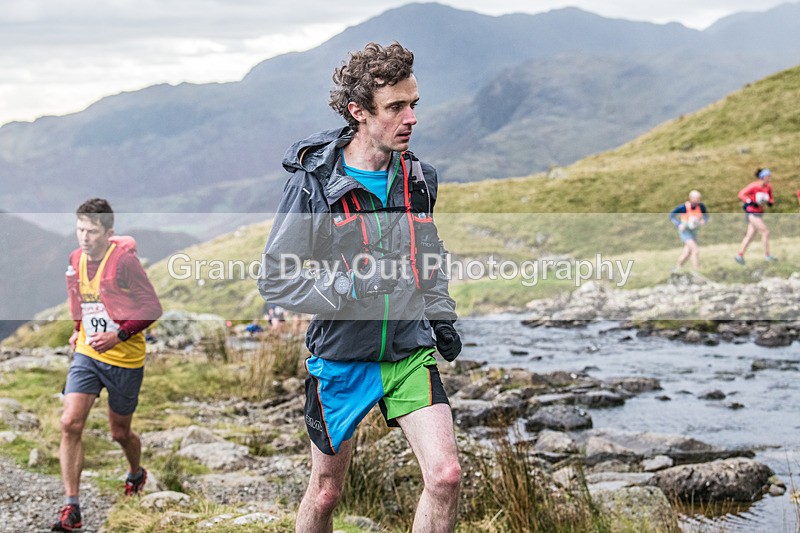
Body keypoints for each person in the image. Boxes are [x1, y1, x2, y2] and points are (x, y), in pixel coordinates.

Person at [257, 42, 462, 533]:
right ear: (359, 112)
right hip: (342, 357)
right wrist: (347, 284)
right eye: (396, 107)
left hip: (409, 351)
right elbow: (275, 278)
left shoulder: (417, 178)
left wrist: (442, 313)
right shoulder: (315, 183)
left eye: (414, 103)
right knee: (326, 493)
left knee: (446, 476)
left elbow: (426, 253)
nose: (411, 117)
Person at [53, 198, 162, 532]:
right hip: (88, 353)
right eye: (80, 228)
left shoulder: (124, 262)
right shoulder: (75, 258)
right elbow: (78, 297)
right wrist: (77, 330)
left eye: (92, 230)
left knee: (120, 433)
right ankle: (72, 507)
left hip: (125, 359)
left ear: (108, 232)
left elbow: (152, 307)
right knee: (70, 423)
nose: (84, 237)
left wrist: (119, 335)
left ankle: (135, 473)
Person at [735, 168, 776, 265]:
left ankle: (740, 255)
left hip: (759, 212)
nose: (769, 178)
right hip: (752, 213)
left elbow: (770, 198)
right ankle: (767, 255)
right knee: (765, 232)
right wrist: (749, 202)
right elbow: (741, 194)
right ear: (762, 177)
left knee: (750, 235)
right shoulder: (754, 186)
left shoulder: (768, 187)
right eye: (768, 176)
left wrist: (770, 202)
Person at [669, 190, 709, 271]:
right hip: (685, 232)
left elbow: (706, 216)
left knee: (687, 253)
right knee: (695, 250)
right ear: (691, 198)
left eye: (699, 198)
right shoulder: (683, 207)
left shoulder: (701, 206)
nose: (698, 200)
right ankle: (697, 270)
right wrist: (679, 224)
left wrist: (703, 221)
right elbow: (672, 215)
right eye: (697, 199)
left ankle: (676, 268)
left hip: (694, 231)